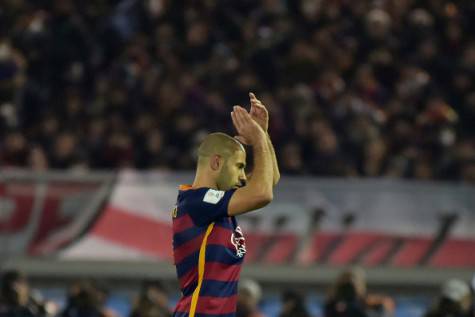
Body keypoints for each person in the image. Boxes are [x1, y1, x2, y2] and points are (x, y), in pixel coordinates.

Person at [171, 92, 279, 317]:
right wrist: (257, 138)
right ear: (217, 162)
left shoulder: (218, 203)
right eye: (239, 166)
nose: (242, 177)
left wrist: (264, 134)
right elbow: (263, 193)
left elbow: (269, 180)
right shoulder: (197, 202)